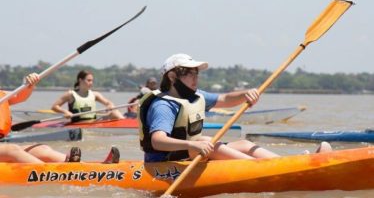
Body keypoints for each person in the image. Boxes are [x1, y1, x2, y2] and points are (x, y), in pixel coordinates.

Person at [138, 53, 332, 162]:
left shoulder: (197, 96)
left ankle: (284, 164)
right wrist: (193, 145)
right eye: (189, 73)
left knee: (245, 144)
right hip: (164, 162)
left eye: (196, 73)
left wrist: (245, 94)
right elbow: (158, 141)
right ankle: (260, 169)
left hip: (190, 153)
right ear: (172, 77)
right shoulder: (163, 105)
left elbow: (224, 98)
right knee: (210, 142)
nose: (195, 77)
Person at [0, 73, 80, 163]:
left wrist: (29, 85)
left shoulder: (2, 95)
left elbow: (19, 96)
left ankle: (75, 166)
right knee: (12, 150)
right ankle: (50, 174)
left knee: (41, 149)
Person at [51, 70, 124, 122]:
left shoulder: (95, 94)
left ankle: (131, 126)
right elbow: (54, 107)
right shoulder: (70, 94)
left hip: (93, 122)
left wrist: (110, 106)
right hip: (78, 124)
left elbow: (108, 102)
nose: (91, 83)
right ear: (80, 80)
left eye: (92, 80)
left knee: (115, 112)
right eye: (88, 80)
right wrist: (65, 112)